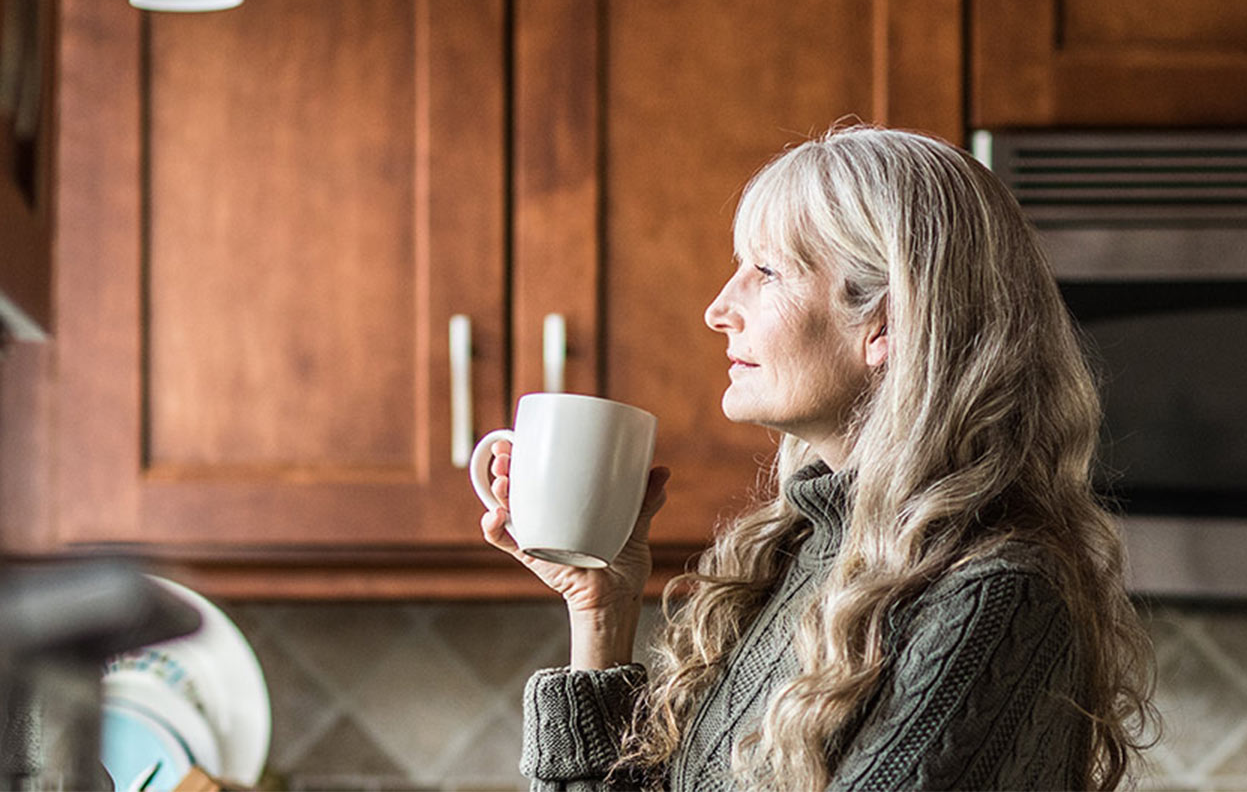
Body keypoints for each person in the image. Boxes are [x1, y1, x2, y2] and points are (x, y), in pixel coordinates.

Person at [480, 125, 1158, 791]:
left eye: (766, 271)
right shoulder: (797, 555)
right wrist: (601, 608)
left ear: (885, 323)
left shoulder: (991, 595)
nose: (719, 308)